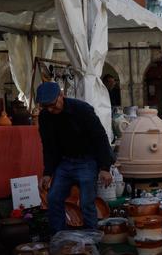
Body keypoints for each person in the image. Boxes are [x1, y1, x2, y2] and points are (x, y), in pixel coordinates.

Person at [36, 82, 114, 233]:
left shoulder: (82, 109)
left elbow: (100, 138)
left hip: (87, 160)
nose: (51, 110)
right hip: (65, 162)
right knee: (53, 198)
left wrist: (105, 167)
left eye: (53, 105)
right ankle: (59, 237)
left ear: (61, 95)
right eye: (46, 107)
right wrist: (47, 173)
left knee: (86, 202)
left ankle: (92, 238)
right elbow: (48, 146)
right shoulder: (45, 117)